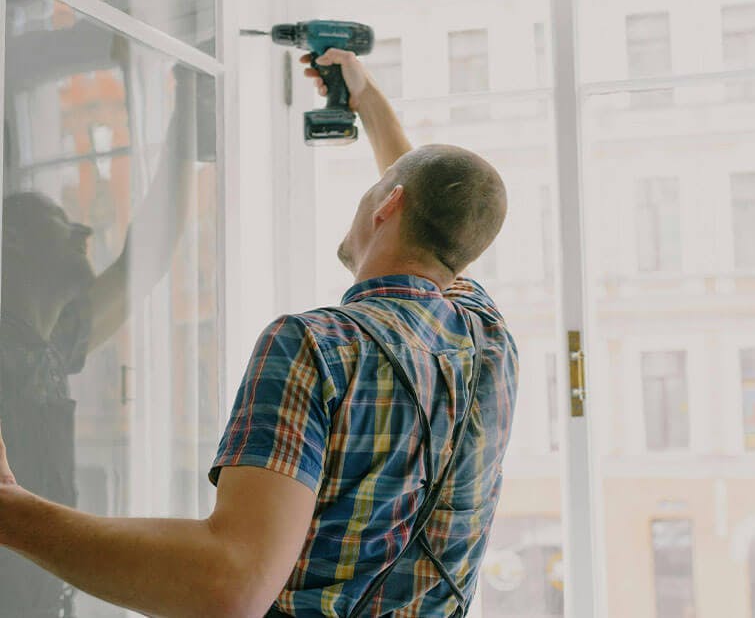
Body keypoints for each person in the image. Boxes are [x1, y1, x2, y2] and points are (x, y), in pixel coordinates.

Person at [0, 48, 518, 617]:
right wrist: (365, 99)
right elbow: (439, 220)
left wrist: (11, 512)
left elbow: (233, 583)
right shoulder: (488, 338)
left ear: (387, 204)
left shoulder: (317, 347)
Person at [0, 30, 198, 618]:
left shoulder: (53, 341)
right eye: (60, 220)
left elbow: (149, 255)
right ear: (11, 242)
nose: (84, 231)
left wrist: (185, 103)